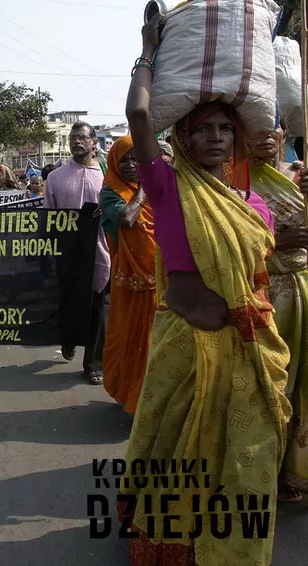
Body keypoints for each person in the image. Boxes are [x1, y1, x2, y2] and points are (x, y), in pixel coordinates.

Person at [119, 15, 289, 564]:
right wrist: (148, 52)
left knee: (240, 460)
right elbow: (139, 113)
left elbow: (258, 278)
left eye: (224, 130)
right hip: (185, 348)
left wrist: (257, 322)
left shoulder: (253, 206)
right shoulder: (165, 187)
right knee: (177, 461)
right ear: (183, 138)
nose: (215, 138)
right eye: (203, 129)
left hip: (245, 350)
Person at [248, 126, 308, 503]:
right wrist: (276, 242)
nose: (267, 135)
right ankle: (260, 472)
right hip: (265, 293)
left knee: (303, 385)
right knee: (270, 385)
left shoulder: (299, 174)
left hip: (304, 289)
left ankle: (297, 472)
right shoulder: (230, 181)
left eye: (274, 126)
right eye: (256, 127)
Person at [44, 121, 110, 385]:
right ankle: (69, 340)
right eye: (73, 138)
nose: (76, 142)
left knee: (99, 310)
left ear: (94, 142)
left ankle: (94, 363)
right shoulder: (55, 178)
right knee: (69, 306)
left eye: (82, 137)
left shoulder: (108, 177)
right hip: (67, 256)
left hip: (100, 254)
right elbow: (48, 219)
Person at [98, 136, 155, 414]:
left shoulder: (163, 189)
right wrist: (144, 188)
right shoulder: (110, 192)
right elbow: (128, 218)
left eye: (137, 158)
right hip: (130, 280)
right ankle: (131, 397)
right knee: (131, 341)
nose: (132, 165)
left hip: (162, 279)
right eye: (125, 159)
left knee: (156, 343)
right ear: (114, 162)